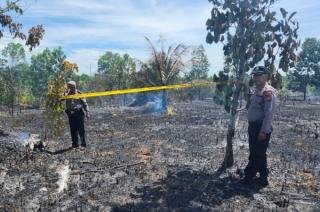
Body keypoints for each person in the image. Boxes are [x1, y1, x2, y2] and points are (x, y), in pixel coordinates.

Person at [242, 66, 277, 186]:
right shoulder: (256, 90)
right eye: (254, 75)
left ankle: (249, 175)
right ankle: (263, 177)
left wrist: (264, 131)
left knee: (257, 153)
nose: (256, 77)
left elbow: (269, 113)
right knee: (258, 152)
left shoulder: (267, 92)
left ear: (266, 76)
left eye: (259, 75)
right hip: (253, 126)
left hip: (261, 127)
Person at [65, 81, 90, 148]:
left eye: (73, 87)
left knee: (81, 129)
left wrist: (87, 112)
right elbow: (60, 99)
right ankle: (75, 144)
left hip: (79, 113)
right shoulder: (66, 94)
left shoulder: (79, 93)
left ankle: (83, 144)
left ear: (75, 86)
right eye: (70, 87)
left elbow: (85, 104)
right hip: (70, 114)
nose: (72, 88)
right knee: (73, 129)